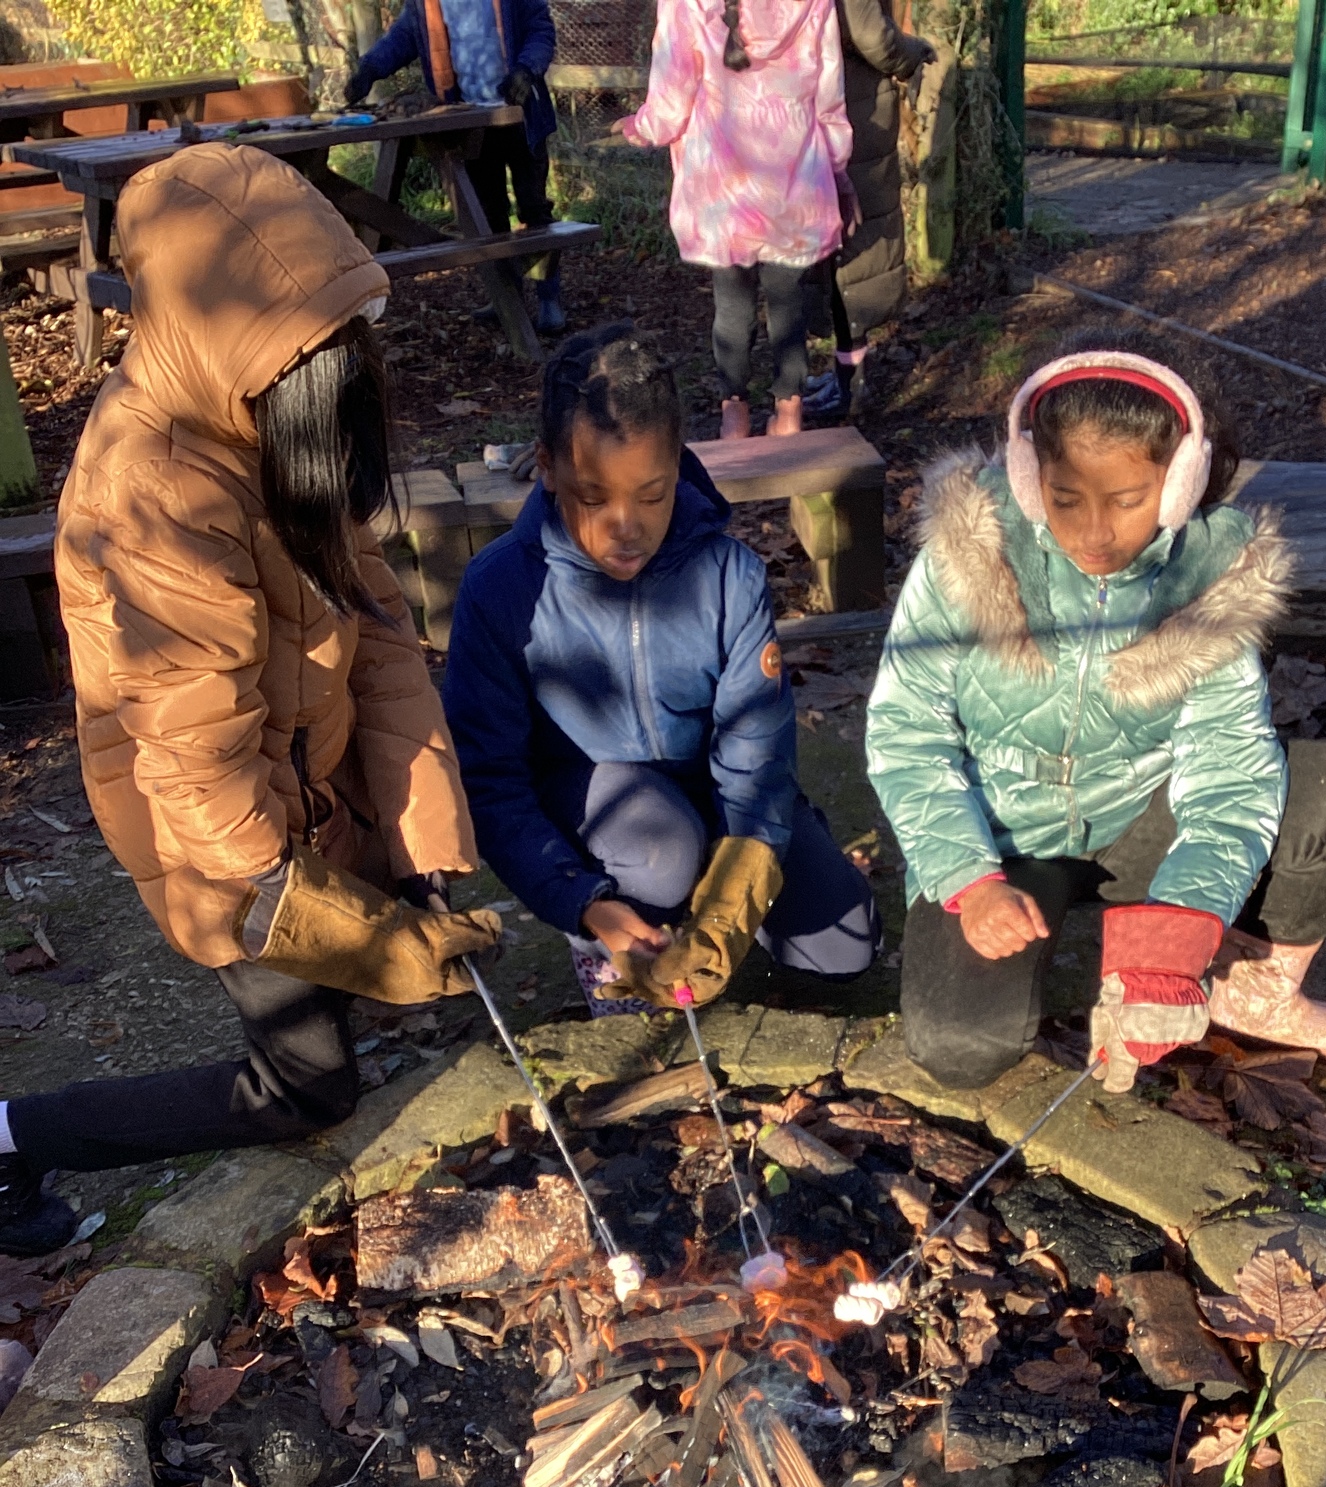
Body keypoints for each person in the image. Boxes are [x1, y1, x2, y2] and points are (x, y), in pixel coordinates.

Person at [0, 145, 499, 1256]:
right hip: (218, 840)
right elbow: (201, 789)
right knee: (307, 1088)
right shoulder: (154, 497)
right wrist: (358, 936)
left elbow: (380, 645)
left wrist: (424, 852)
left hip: (306, 779)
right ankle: (12, 1137)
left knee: (403, 926)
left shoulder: (279, 419)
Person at [865, 328, 1326, 1094]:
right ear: (1028, 477)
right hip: (1003, 844)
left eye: (1126, 500)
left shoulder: (1211, 578)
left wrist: (1169, 947)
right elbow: (906, 736)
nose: (1094, 532)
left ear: (1180, 483)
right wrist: (970, 880)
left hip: (1141, 823)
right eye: (1065, 498)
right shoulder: (968, 554)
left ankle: (1248, 988)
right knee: (960, 1046)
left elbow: (1229, 778)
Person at [441, 324, 878, 1012]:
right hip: (600, 812)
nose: (627, 526)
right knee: (661, 853)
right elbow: (491, 783)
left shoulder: (729, 575)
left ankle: (707, 894)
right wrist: (581, 902)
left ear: (678, 464)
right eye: (594, 498)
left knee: (843, 946)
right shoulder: (499, 589)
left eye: (653, 495)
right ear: (547, 467)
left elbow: (758, 755)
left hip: (710, 793)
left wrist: (730, 908)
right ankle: (610, 945)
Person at [613, 0, 855, 437]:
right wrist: (837, 166)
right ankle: (789, 412)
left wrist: (641, 127)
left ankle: (733, 415)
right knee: (788, 301)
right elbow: (829, 96)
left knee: (731, 303)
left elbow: (670, 100)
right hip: (795, 177)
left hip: (721, 187)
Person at [344, 0, 566, 336]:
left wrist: (526, 69)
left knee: (534, 207)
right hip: (467, 119)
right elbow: (404, 36)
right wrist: (370, 68)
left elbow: (539, 29)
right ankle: (507, 297)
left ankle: (549, 299)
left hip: (522, 114)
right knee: (487, 213)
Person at [803, 0, 933, 422]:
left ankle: (830, 378)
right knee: (856, 244)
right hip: (853, 107)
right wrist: (912, 54)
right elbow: (870, 34)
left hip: (800, 102)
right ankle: (850, 382)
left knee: (826, 244)